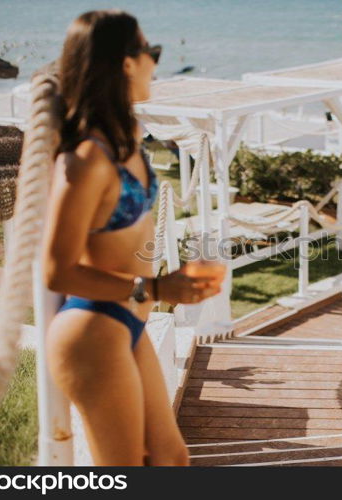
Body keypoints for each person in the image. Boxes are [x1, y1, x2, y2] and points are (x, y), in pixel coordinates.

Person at [41, 10, 222, 465]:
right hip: (92, 327)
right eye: (151, 52)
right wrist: (158, 288)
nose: (156, 64)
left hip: (128, 321)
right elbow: (56, 269)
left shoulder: (127, 141)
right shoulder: (88, 157)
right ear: (126, 63)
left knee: (170, 459)